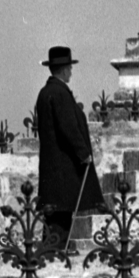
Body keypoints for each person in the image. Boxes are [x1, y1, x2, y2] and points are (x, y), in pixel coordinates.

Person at [34, 46, 97, 248]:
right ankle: (55, 254)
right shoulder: (60, 93)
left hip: (51, 168)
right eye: (69, 67)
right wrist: (84, 153)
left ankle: (52, 251)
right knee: (60, 216)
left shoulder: (46, 93)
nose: (71, 71)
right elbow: (68, 128)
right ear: (63, 69)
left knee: (54, 217)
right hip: (63, 167)